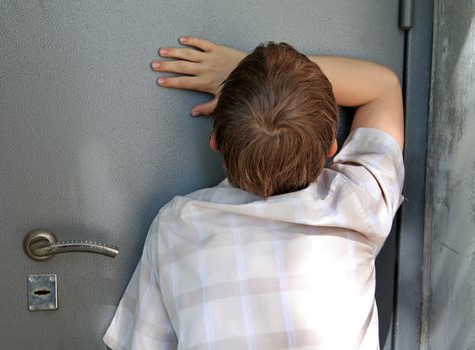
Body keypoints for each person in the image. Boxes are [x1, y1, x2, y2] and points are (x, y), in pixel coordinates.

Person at [103, 36, 404, 350]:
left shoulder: (177, 226)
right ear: (332, 145)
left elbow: (144, 344)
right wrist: (241, 65)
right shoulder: (357, 204)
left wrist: (248, 77)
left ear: (216, 139)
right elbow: (382, 87)